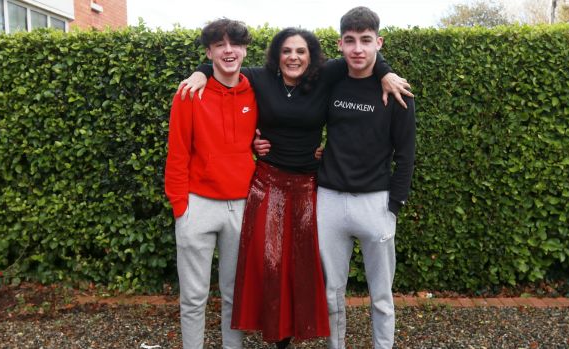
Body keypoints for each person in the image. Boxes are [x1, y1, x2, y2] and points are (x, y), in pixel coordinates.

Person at [179, 28, 412, 349]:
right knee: (270, 265)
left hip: (308, 187)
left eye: (301, 51)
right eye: (287, 51)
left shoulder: (324, 77)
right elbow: (225, 65)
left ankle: (295, 332)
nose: (293, 57)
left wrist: (385, 72)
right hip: (267, 184)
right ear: (277, 55)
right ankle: (276, 336)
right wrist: (200, 72)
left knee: (301, 267)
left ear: (312, 56)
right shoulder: (260, 78)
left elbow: (359, 54)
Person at [316, 7, 416, 349]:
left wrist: (394, 206)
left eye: (366, 40)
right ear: (340, 44)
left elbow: (406, 154)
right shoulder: (331, 78)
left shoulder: (397, 91)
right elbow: (284, 82)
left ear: (379, 42)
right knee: (331, 294)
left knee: (381, 296)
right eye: (350, 41)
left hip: (376, 204)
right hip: (329, 201)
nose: (358, 48)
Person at [164, 19, 257, 349]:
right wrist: (181, 207)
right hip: (197, 205)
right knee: (193, 297)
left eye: (235, 44)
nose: (228, 51)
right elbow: (177, 154)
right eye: (220, 45)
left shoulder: (256, 91)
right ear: (209, 51)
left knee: (235, 295)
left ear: (245, 49)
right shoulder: (190, 93)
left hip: (242, 206)